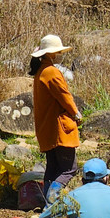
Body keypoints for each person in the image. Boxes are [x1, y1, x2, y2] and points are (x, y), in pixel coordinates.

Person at [30, 35, 81, 204]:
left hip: (47, 129)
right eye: (57, 51)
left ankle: (47, 203)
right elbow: (64, 96)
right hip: (59, 129)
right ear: (50, 54)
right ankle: (51, 201)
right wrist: (75, 113)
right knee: (69, 169)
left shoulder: (41, 72)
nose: (59, 54)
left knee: (52, 169)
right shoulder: (51, 71)